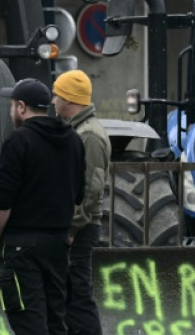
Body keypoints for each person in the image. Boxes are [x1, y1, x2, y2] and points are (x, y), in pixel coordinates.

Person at [0, 78, 85, 335]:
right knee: (56, 321)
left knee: (28, 321)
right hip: (58, 246)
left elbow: (2, 202)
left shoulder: (18, 141)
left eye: (12, 106)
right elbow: (79, 196)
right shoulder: (74, 140)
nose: (11, 112)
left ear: (21, 107)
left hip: (21, 246)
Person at [52, 70, 111, 335]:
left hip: (81, 227)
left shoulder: (89, 135)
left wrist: (72, 228)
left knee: (79, 294)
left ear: (69, 99)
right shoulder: (80, 130)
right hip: (78, 225)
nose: (53, 100)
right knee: (73, 292)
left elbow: (91, 188)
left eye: (57, 95)